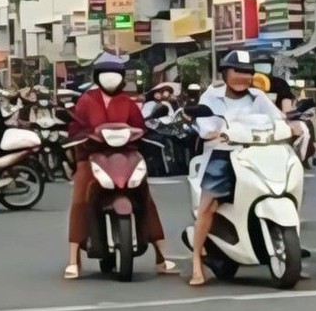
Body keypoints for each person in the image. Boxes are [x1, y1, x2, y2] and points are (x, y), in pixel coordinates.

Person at [64, 53, 176, 279]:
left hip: (125, 155)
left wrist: (145, 137)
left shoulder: (128, 102)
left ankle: (161, 255)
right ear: (97, 77)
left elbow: (140, 127)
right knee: (80, 200)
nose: (110, 78)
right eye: (105, 74)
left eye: (115, 74)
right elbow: (76, 128)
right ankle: (73, 258)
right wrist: (83, 138)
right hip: (92, 156)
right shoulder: (87, 100)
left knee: (145, 195)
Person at [188, 49, 288, 286]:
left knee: (281, 191)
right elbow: (204, 125)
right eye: (237, 71)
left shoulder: (258, 97)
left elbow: (278, 119)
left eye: (247, 72)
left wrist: (290, 126)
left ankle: (288, 249)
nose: (243, 77)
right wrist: (211, 132)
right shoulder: (211, 97)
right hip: (223, 155)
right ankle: (195, 261)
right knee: (208, 207)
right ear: (225, 73)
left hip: (258, 154)